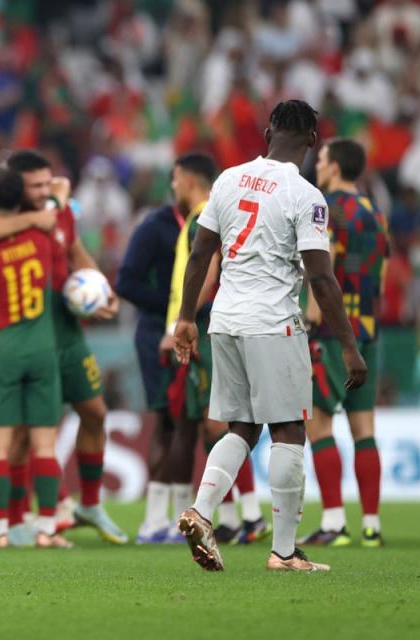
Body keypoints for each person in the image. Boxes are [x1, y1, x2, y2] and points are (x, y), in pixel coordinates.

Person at [174, 100, 367, 572]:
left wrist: (183, 318)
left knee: (241, 426)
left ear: (267, 133)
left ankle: (201, 511)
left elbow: (201, 254)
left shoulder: (228, 179)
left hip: (224, 320)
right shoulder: (305, 196)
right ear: (312, 141)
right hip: (273, 322)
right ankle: (283, 552)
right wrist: (348, 344)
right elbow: (321, 278)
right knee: (288, 431)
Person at [0, 150, 126, 544]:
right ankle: (23, 520)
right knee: (26, 434)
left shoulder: (58, 213)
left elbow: (75, 251)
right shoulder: (4, 223)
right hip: (37, 332)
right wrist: (48, 204)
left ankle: (88, 503)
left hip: (66, 331)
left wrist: (100, 288)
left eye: (46, 184)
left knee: (94, 411)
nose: (42, 192)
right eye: (34, 186)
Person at [158, 154, 268, 545]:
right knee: (211, 424)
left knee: (219, 422)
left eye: (175, 179)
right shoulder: (206, 215)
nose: (173, 187)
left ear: (188, 180)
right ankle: (232, 517)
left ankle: (251, 515)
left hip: (206, 327)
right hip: (207, 325)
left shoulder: (206, 216)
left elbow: (208, 270)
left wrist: (182, 323)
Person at [0, 167, 66, 548]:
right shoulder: (42, 238)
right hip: (42, 346)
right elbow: (59, 272)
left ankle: (1, 531)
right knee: (45, 443)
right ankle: (46, 530)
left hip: (1, 349)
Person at [300, 138, 389, 548]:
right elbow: (382, 277)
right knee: (363, 426)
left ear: (334, 167)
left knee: (318, 423)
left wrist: (310, 321)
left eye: (320, 158)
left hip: (334, 333)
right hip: (369, 329)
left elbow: (324, 270)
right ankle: (371, 524)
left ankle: (334, 522)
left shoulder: (325, 210)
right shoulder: (376, 213)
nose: (316, 164)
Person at [115, 196, 180, 544]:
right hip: (157, 333)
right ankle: (155, 520)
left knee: (200, 422)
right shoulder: (154, 228)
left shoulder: (209, 222)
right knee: (166, 419)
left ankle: (221, 517)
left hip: (201, 328)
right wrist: (173, 308)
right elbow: (125, 283)